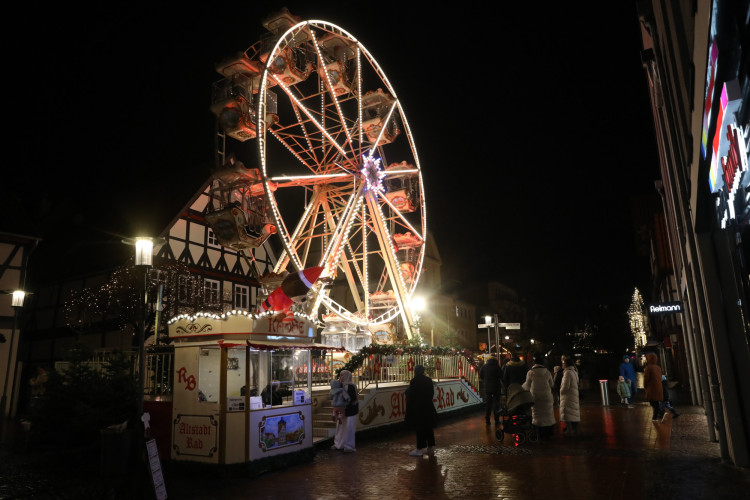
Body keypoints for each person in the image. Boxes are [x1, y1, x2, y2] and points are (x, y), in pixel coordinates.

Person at [405, 364, 438, 456]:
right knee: (429, 427)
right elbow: (431, 393)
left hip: (418, 408)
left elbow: (412, 395)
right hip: (428, 406)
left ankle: (419, 448)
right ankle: (430, 447)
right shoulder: (428, 380)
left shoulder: (414, 381)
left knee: (420, 428)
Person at [522, 353, 556, 439]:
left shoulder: (530, 373)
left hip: (535, 396)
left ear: (534, 362)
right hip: (546, 396)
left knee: (537, 415)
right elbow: (552, 384)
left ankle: (539, 433)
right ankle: (548, 433)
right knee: (548, 414)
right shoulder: (547, 372)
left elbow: (527, 385)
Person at [332, 370, 358, 452]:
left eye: (342, 375)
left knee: (349, 428)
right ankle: (339, 444)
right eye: (340, 375)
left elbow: (353, 399)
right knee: (340, 428)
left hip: (351, 411)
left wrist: (344, 399)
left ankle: (349, 446)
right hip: (343, 410)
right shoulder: (340, 386)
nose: (340, 377)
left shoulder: (351, 386)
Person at [559, 356, 580, 436]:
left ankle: (570, 431)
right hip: (574, 395)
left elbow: (565, 387)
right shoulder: (574, 372)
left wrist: (561, 391)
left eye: (563, 363)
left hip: (568, 397)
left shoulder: (567, 373)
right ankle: (575, 430)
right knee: (574, 413)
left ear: (566, 364)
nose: (562, 365)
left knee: (567, 414)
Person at [478, 355, 502, 425]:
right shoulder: (497, 367)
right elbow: (501, 375)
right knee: (496, 404)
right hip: (496, 387)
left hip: (487, 387)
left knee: (488, 404)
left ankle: (487, 420)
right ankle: (496, 420)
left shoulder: (484, 366)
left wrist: (485, 381)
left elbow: (480, 375)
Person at [643, 352, 664, 422]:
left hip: (651, 388)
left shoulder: (648, 368)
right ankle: (657, 416)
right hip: (658, 387)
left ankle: (657, 415)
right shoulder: (658, 367)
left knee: (652, 401)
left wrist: (645, 385)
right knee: (656, 401)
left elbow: (646, 378)